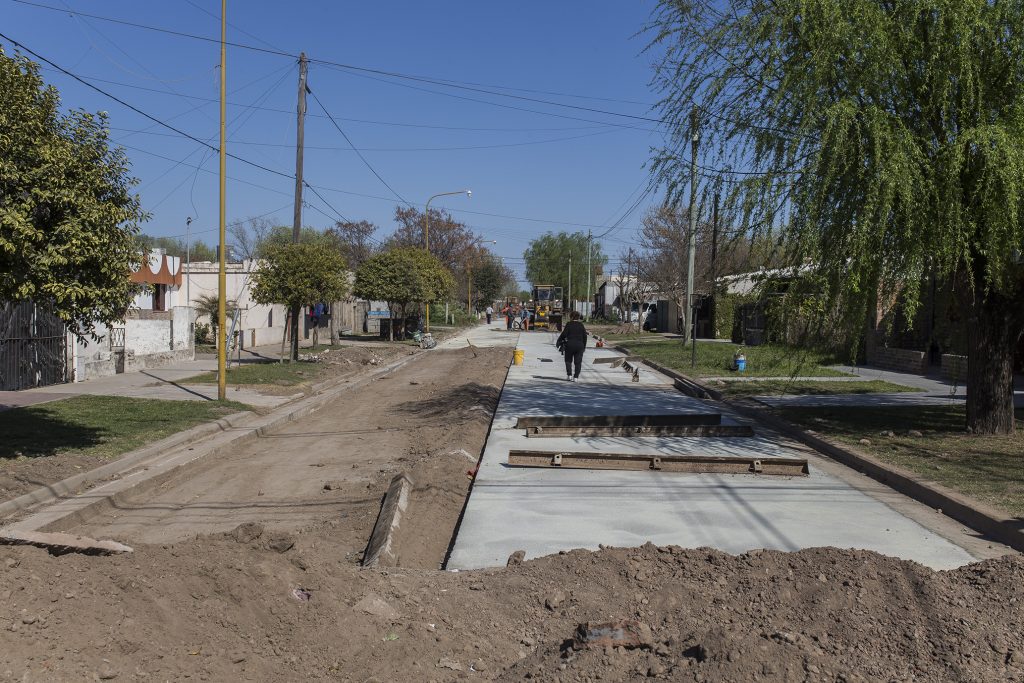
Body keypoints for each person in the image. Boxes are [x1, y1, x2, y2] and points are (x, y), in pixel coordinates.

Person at [556, 310, 587, 382]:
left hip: (570, 345)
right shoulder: (581, 325)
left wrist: (559, 341)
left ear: (571, 317)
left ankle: (569, 375)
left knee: (568, 360)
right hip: (579, 346)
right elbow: (585, 336)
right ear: (578, 317)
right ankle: (576, 377)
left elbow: (564, 334)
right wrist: (584, 346)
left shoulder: (569, 324)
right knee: (578, 362)